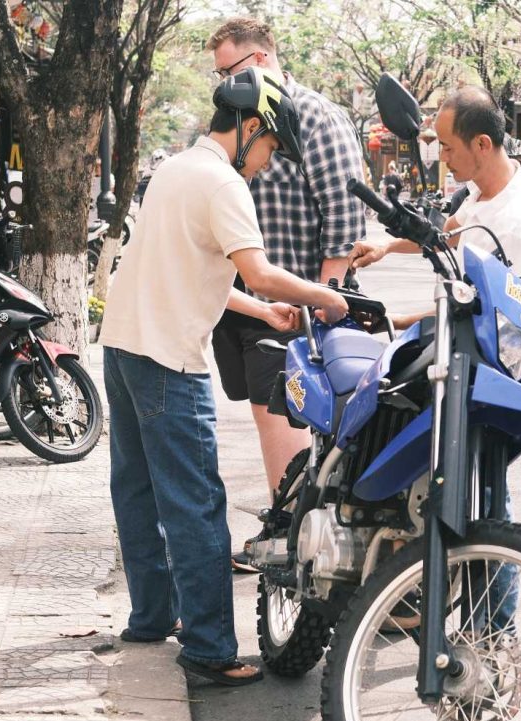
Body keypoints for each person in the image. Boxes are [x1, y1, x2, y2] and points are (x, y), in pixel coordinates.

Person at [100, 67, 349, 686]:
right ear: (252, 126)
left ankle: (150, 616)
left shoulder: (174, 170)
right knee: (196, 503)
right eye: (270, 149)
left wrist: (262, 312)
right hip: (168, 359)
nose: (266, 164)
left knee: (137, 490)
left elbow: (192, 269)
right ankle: (209, 648)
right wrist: (327, 296)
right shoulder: (224, 184)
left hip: (123, 347)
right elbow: (259, 272)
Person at [206, 18, 367, 560]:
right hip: (248, 300)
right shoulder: (238, 116)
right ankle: (289, 526)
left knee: (286, 414)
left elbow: (344, 217)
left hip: (295, 304)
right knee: (265, 410)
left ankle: (293, 539)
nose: (222, 83)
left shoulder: (316, 116)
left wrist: (322, 301)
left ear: (257, 61)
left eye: (227, 70)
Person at [350, 86, 521, 379]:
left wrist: (394, 320)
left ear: (482, 144)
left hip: (499, 367)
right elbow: (445, 235)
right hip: (469, 347)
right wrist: (386, 246)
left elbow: (472, 309)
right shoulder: (497, 182)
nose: (444, 157)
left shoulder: (512, 222)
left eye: (448, 147)